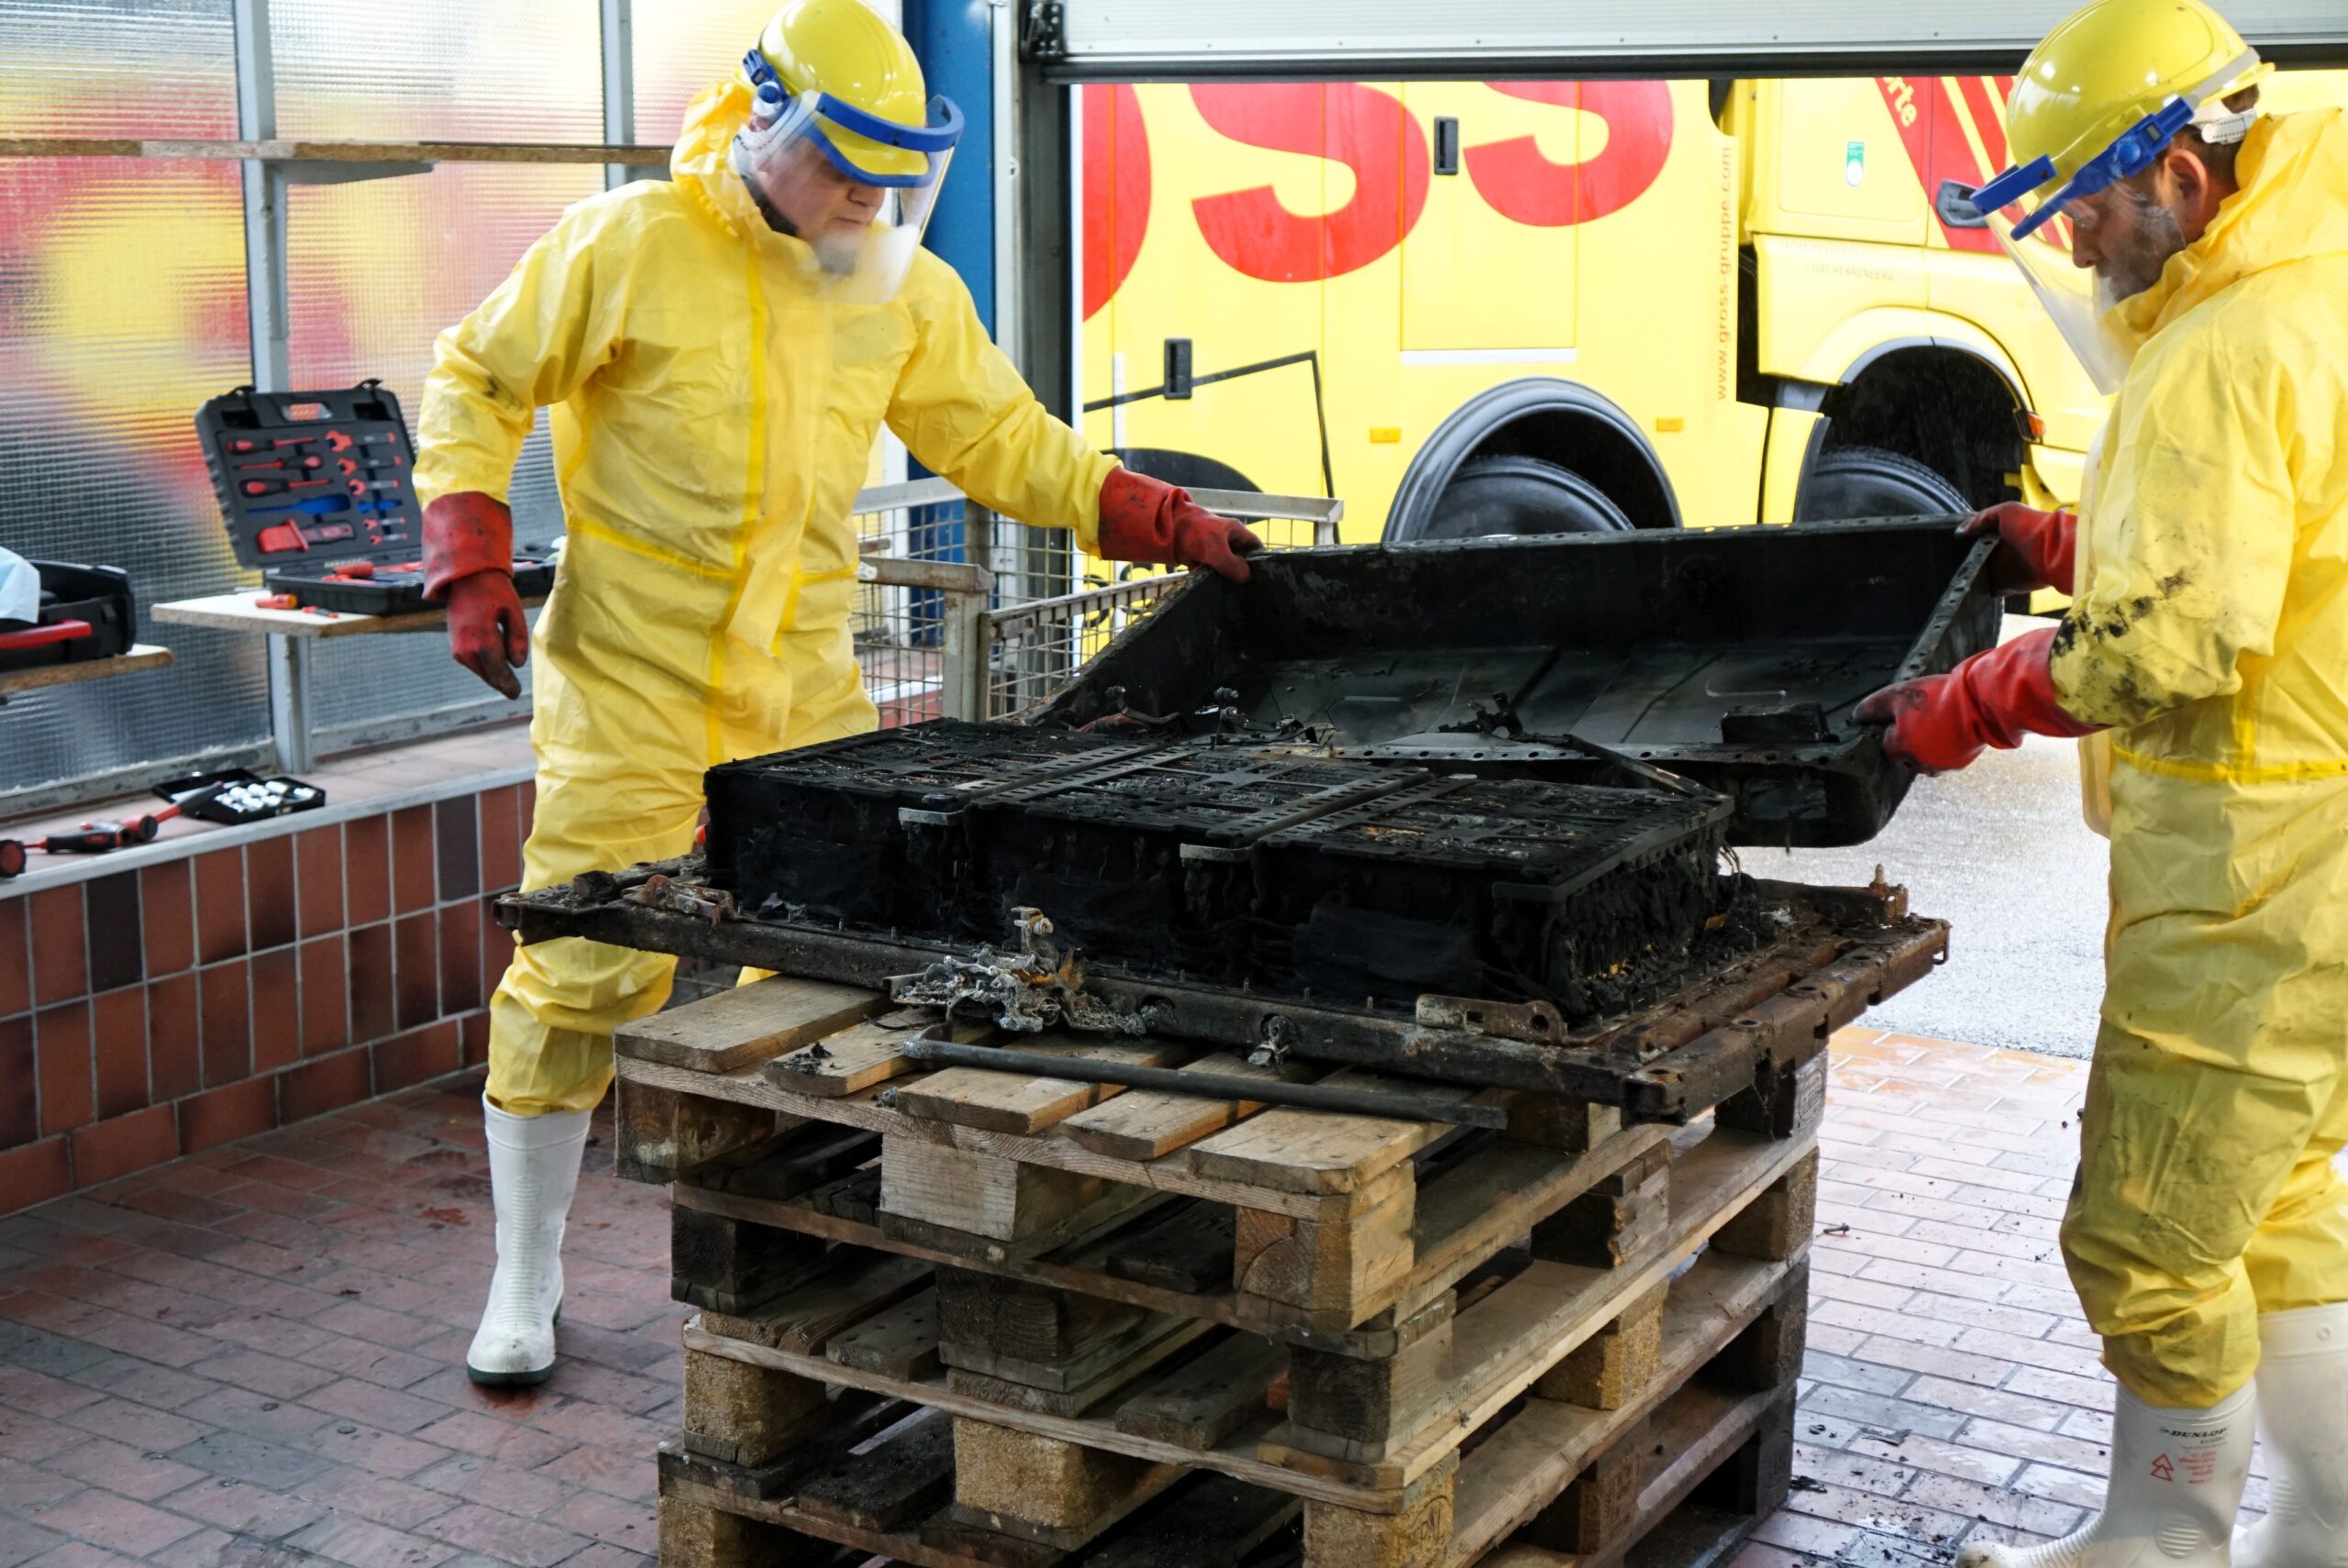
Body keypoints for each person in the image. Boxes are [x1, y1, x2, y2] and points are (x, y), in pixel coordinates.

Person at [412, 0, 1261, 1387]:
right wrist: (468, 556)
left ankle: (778, 1257)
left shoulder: (896, 288)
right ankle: (526, 1275)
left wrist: (1154, 514)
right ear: (765, 122)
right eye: (842, 162)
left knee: (812, 965)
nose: (865, 197)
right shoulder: (630, 247)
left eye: (889, 171)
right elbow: (479, 373)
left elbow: (1000, 437)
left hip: (801, 686)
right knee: (578, 970)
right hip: (628, 674)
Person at [1855, 1, 2348, 1562]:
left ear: (2184, 178)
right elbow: (2291, 534)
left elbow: (2179, 642)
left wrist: (1968, 702)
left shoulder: (2220, 344)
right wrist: (2072, 542)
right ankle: (2328, 1519)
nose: (2072, 243)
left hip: (2252, 857)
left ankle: (2160, 1542)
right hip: (2322, 839)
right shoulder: (2310, 282)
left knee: (2145, 1231)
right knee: (2272, 1201)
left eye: (2085, 200)